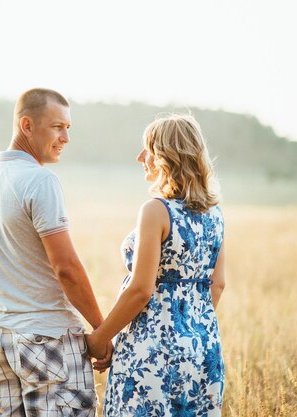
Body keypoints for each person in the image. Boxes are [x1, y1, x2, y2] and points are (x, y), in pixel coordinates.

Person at [0, 88, 108, 417]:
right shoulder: (40, 181)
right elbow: (66, 268)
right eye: (58, 127)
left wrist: (7, 319)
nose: (66, 137)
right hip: (49, 340)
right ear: (26, 125)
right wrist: (100, 330)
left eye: (68, 128)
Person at [87, 114, 226, 416]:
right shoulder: (215, 214)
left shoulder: (155, 211)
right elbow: (218, 284)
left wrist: (100, 338)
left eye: (147, 149)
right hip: (202, 348)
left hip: (151, 350)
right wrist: (187, 327)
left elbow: (140, 290)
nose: (140, 158)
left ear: (167, 156)